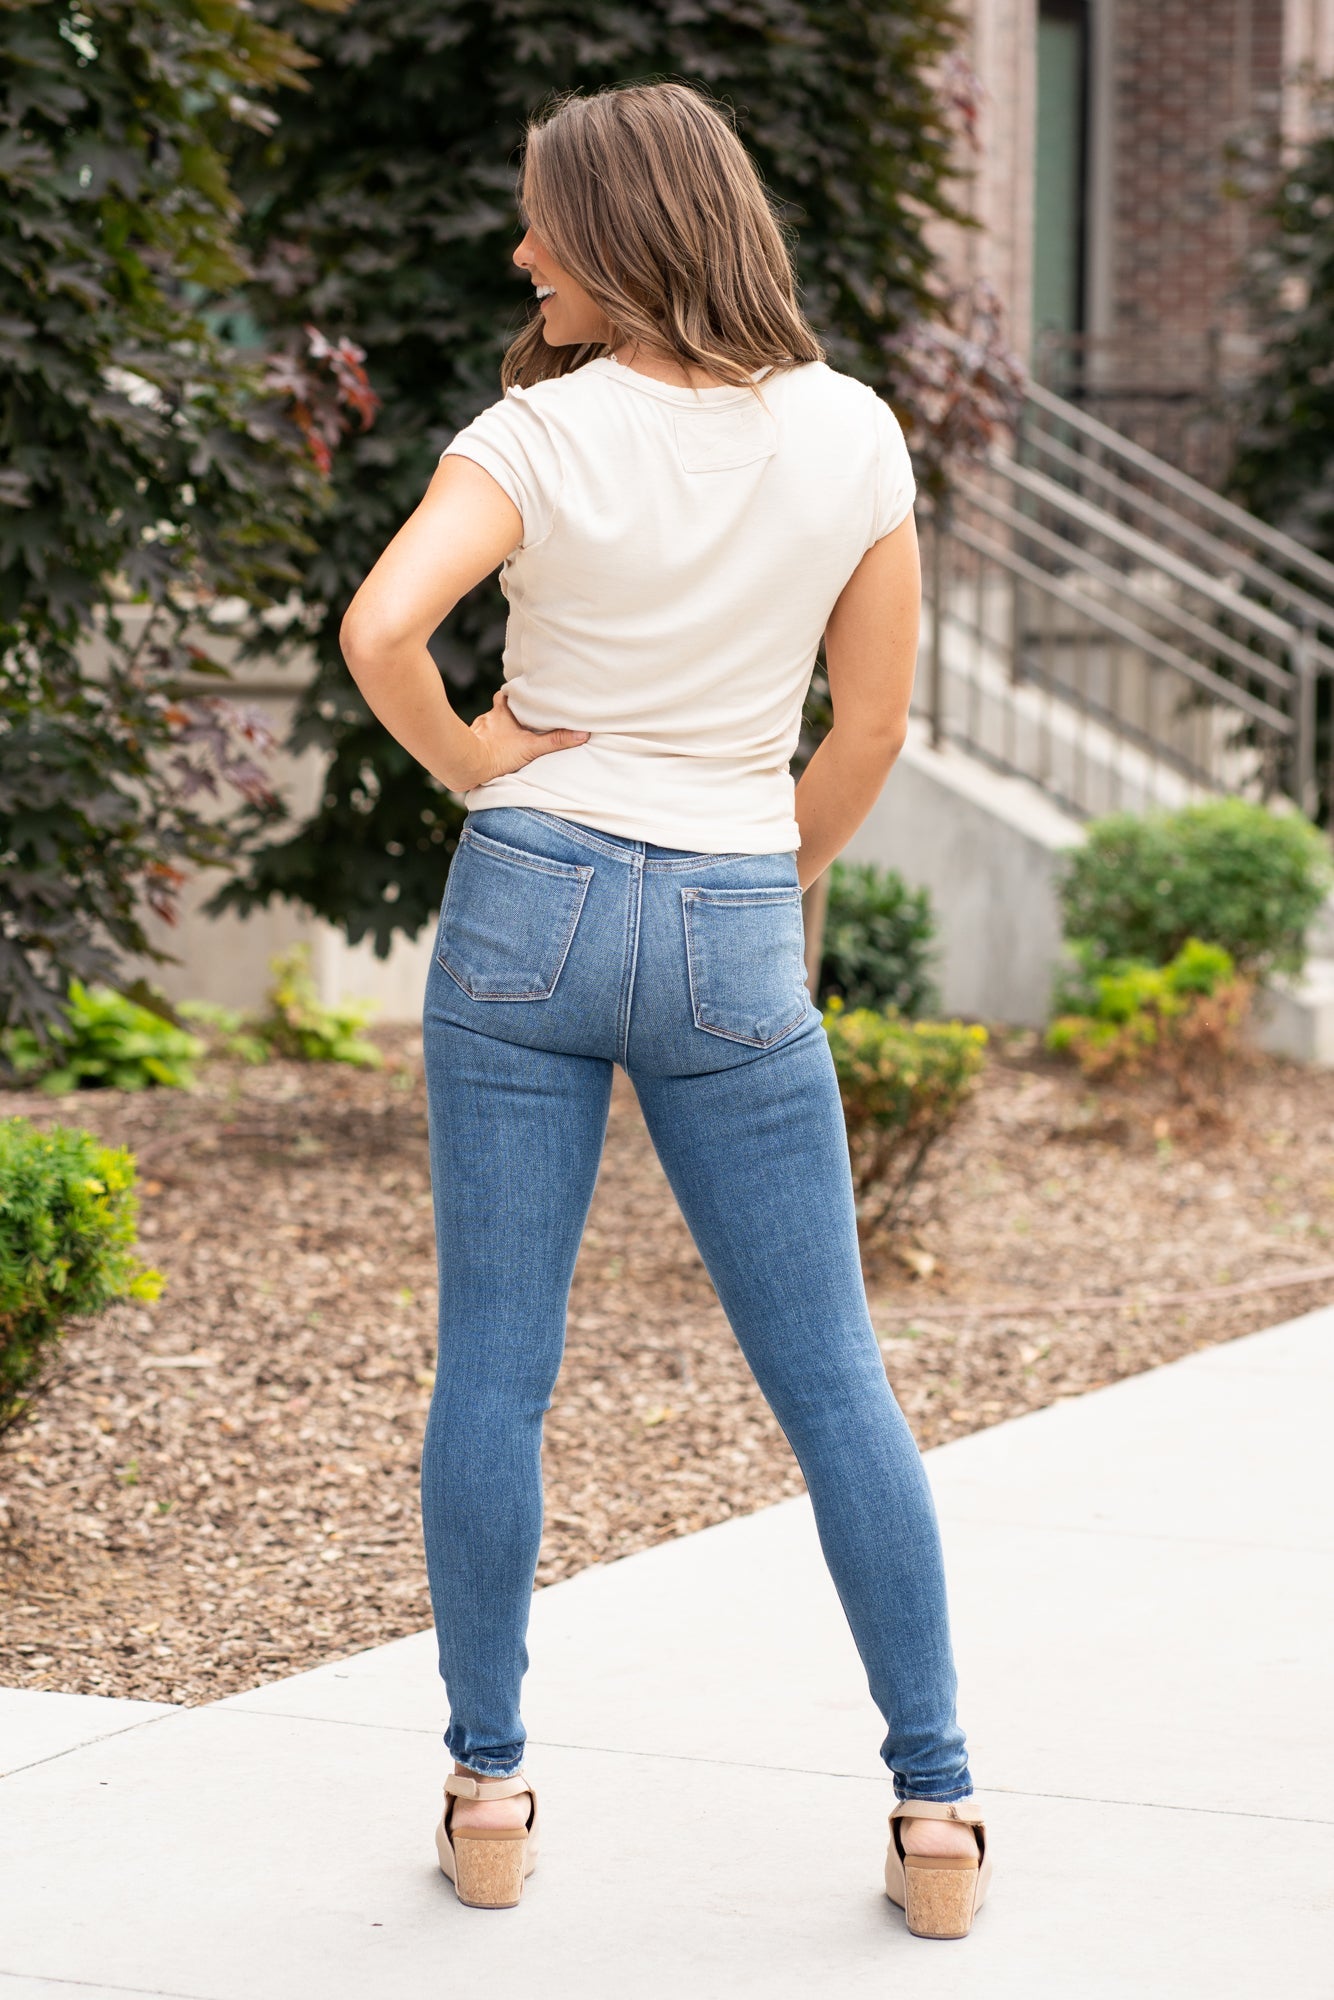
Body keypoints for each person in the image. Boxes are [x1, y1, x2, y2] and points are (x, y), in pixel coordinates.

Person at [339, 79, 991, 1940]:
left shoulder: (534, 436)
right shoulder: (850, 433)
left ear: (620, 233)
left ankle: (485, 1792)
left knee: (496, 1370)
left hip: (526, 902)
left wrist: (474, 761)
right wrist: (761, 879)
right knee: (833, 1379)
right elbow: (871, 725)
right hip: (726, 910)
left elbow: (381, 631)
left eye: (543, 222)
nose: (522, 253)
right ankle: (935, 1811)